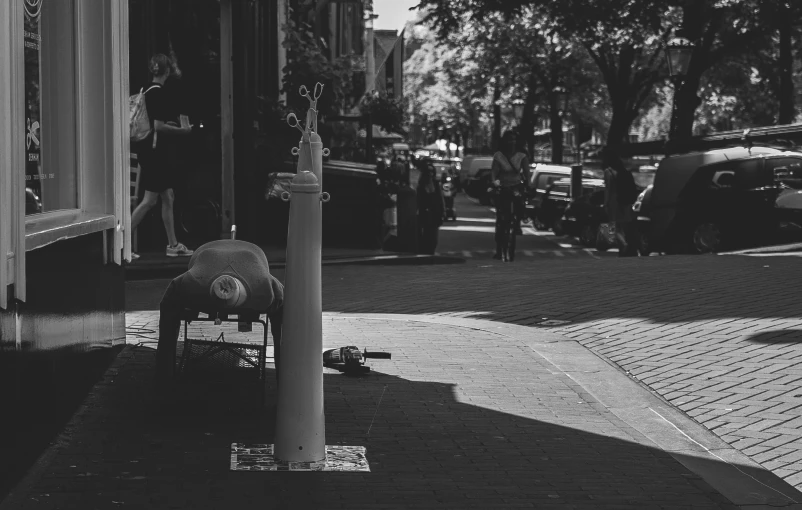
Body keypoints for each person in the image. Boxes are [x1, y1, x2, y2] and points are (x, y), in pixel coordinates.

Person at [130, 53, 195, 259]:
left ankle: (173, 245)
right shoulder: (160, 94)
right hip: (155, 155)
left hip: (148, 152)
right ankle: (122, 243)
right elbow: (158, 126)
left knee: (168, 197)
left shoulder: (146, 91)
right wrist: (182, 131)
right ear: (167, 71)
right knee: (149, 201)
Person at [490, 130, 531, 260]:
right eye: (509, 139)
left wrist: (528, 184)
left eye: (513, 139)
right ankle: (499, 241)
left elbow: (526, 173)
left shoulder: (521, 155)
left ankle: (519, 219)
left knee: (519, 200)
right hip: (503, 186)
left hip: (516, 185)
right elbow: (494, 172)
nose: (511, 142)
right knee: (501, 215)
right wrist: (495, 182)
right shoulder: (499, 156)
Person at [602, 146, 639, 257]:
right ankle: (626, 247)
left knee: (614, 226)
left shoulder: (608, 171)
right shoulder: (622, 169)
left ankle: (623, 244)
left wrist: (605, 204)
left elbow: (608, 190)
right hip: (625, 201)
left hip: (614, 202)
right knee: (624, 225)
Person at [416, 160, 445, 254]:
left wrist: (443, 211)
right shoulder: (421, 185)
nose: (430, 174)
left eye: (432, 171)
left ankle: (431, 252)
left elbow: (440, 198)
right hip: (424, 213)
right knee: (426, 235)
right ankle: (425, 252)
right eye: (428, 171)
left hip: (435, 213)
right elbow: (419, 200)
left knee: (434, 237)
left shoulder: (436, 184)